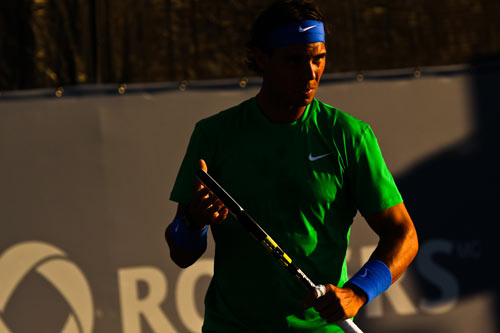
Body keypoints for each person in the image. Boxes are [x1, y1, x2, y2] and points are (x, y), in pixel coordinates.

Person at [165, 0, 418, 332]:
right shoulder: (214, 135)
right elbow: (181, 253)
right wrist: (195, 222)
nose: (310, 73)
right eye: (294, 61)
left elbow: (404, 235)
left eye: (318, 59)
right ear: (262, 59)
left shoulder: (349, 136)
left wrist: (357, 293)